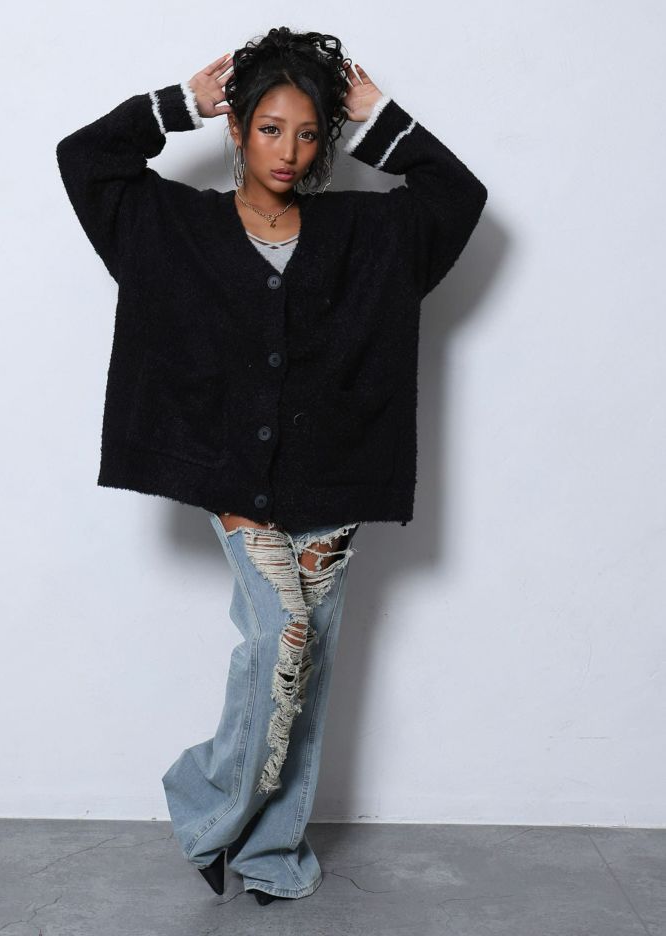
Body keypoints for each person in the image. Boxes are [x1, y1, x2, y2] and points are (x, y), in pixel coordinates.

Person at [56, 26, 487, 905]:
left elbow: (458, 195)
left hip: (332, 481)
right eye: (269, 128)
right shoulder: (172, 224)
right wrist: (175, 104)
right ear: (237, 128)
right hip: (232, 482)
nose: (288, 151)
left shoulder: (367, 233)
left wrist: (378, 116)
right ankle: (203, 797)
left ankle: (272, 854)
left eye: (308, 133)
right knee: (283, 637)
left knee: (309, 661)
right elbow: (84, 160)